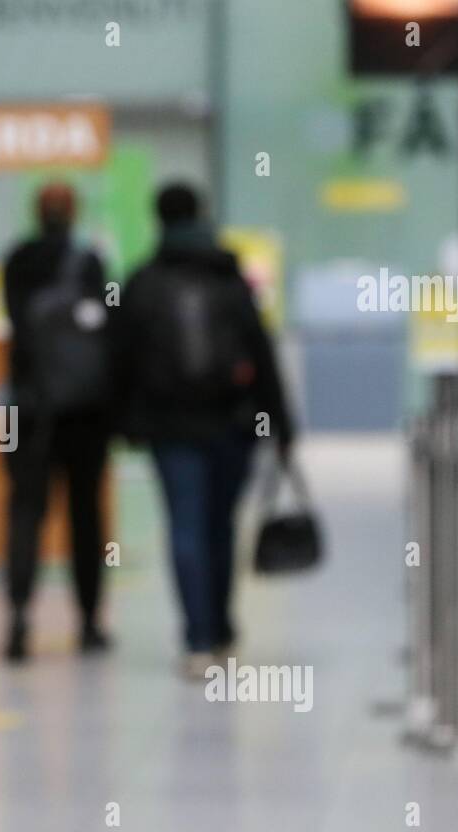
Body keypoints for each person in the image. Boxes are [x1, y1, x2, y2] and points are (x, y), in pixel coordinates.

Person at [119, 182, 295, 679]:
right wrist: (280, 422)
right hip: (232, 422)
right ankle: (219, 629)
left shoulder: (142, 283)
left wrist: (125, 423)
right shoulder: (228, 277)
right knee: (221, 525)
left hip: (169, 427)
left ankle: (198, 639)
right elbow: (261, 352)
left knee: (186, 527)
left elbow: (121, 361)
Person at [0, 182, 113, 663]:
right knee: (85, 517)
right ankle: (88, 623)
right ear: (74, 212)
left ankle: (19, 617)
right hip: (84, 412)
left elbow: (17, 326)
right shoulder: (90, 264)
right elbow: (106, 328)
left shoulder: (16, 261)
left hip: (29, 408)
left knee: (26, 512)